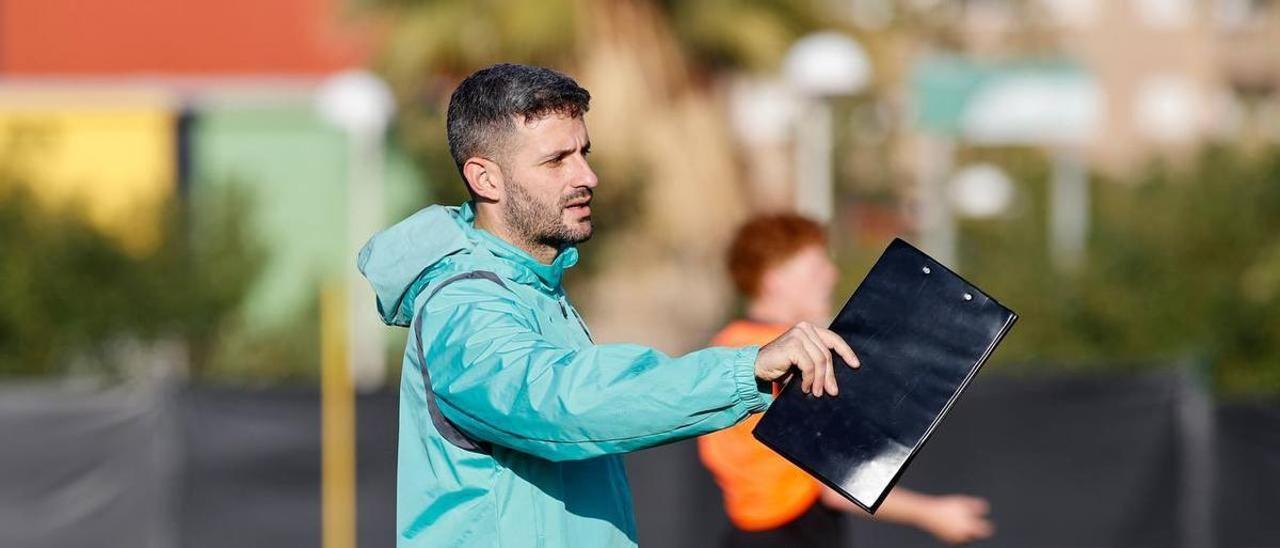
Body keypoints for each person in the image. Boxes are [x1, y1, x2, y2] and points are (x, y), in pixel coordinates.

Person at [358, 63, 861, 548]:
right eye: (556, 160)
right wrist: (745, 370)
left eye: (584, 152)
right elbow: (559, 402)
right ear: (485, 179)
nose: (587, 176)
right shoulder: (466, 302)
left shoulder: (534, 288)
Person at [698, 213, 996, 547]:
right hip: (789, 535)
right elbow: (831, 482)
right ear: (774, 279)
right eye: (815, 267)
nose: (831, 274)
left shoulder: (727, 348)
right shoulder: (778, 358)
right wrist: (933, 513)